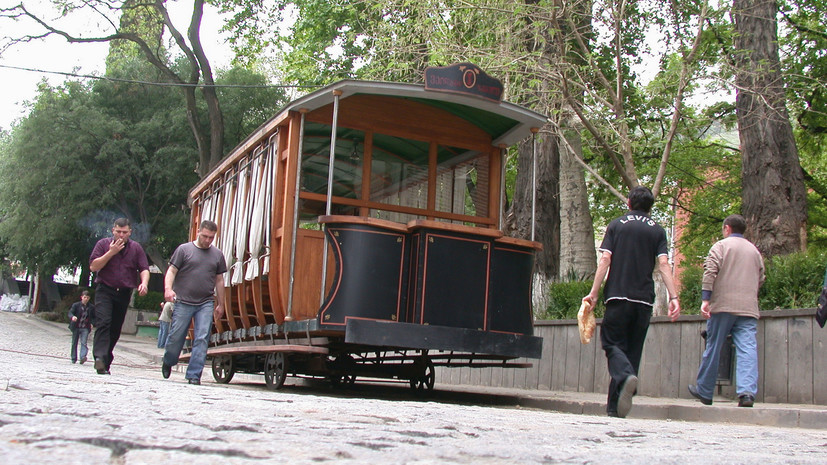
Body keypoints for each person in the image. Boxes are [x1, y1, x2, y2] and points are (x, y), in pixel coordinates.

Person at [583, 186, 681, 418]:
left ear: (629, 203)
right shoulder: (658, 231)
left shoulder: (616, 225)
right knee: (632, 351)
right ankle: (615, 408)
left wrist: (594, 292)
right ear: (650, 206)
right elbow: (664, 264)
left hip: (618, 296)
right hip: (644, 300)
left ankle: (626, 378)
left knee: (612, 345)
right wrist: (673, 296)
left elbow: (605, 259)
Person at [688, 214, 765, 407]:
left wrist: (706, 299)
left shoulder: (720, 246)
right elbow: (761, 277)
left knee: (714, 346)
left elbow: (710, 272)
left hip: (723, 305)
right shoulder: (754, 251)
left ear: (727, 228)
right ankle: (747, 393)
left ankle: (705, 390)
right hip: (748, 307)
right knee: (747, 348)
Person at [161, 220, 227, 385]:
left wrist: (221, 303)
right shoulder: (184, 250)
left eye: (211, 238)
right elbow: (172, 270)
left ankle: (194, 374)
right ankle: (169, 360)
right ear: (198, 232)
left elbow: (219, 280)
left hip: (205, 301)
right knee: (177, 335)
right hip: (183, 300)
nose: (207, 240)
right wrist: (168, 289)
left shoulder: (217, 255)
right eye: (204, 236)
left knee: (202, 337)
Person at [89, 217, 150, 375]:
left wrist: (144, 283)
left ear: (130, 232)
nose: (121, 235)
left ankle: (106, 360)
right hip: (105, 290)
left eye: (124, 232)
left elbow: (144, 268)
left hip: (123, 293)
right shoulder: (102, 244)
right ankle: (99, 358)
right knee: (104, 322)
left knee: (115, 329)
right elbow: (93, 266)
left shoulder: (136, 248)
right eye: (118, 232)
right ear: (113, 231)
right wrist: (111, 252)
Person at [68, 290, 95, 364]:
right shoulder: (76, 305)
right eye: (84, 297)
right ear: (81, 297)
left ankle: (83, 357)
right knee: (74, 342)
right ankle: (74, 358)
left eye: (87, 297)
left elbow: (94, 317)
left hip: (85, 327)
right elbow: (70, 312)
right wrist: (72, 317)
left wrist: (92, 323)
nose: (86, 299)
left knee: (84, 342)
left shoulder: (91, 307)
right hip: (76, 326)